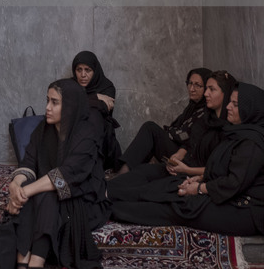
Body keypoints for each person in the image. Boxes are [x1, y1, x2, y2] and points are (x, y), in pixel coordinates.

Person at [110, 83, 264, 236]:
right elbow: (223, 169)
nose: (228, 107)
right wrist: (200, 179)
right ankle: (108, 197)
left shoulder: (252, 143)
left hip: (244, 209)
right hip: (225, 194)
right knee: (172, 189)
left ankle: (110, 209)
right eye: (230, 102)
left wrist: (198, 188)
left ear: (249, 110)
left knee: (183, 207)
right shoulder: (236, 133)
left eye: (235, 104)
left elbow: (234, 183)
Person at [3, 79, 110, 269]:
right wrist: (15, 186)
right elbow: (28, 162)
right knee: (40, 195)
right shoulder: (44, 128)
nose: (47, 108)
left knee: (44, 195)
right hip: (48, 194)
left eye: (55, 102)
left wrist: (26, 191)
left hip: (83, 200)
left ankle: (34, 266)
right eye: (47, 101)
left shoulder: (86, 133)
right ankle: (22, 263)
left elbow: (68, 175)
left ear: (69, 105)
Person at [112, 67, 212, 176]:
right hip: (179, 148)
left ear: (207, 88)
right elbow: (177, 129)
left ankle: (121, 174)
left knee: (150, 128)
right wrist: (171, 132)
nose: (191, 89)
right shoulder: (192, 107)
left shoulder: (207, 113)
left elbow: (189, 138)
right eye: (190, 83)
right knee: (148, 138)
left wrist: (171, 133)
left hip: (186, 156)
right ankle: (125, 174)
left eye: (198, 85)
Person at [70, 50, 121, 170]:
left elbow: (103, 108)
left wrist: (79, 102)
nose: (83, 75)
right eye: (79, 70)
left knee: (94, 115)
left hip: (101, 140)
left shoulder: (107, 87)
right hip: (75, 137)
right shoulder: (71, 85)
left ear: (95, 70)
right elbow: (67, 106)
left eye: (88, 70)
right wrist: (96, 97)